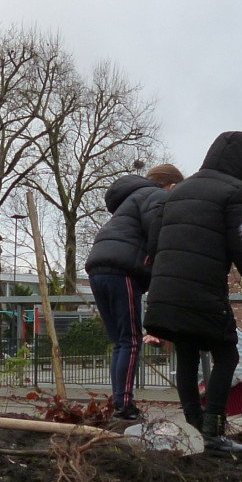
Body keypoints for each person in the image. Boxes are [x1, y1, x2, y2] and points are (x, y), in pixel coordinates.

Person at [144, 131, 242, 458]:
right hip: (202, 291)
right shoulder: (235, 191)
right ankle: (212, 431)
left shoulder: (178, 191)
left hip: (165, 290)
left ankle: (194, 428)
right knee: (227, 353)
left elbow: (154, 240)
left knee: (186, 352)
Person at [84, 162, 184, 422]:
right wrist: (161, 267)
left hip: (98, 269)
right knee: (130, 340)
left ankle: (120, 400)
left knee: (120, 341)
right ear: (172, 186)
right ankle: (124, 407)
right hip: (122, 270)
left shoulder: (130, 201)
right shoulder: (157, 196)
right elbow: (158, 234)